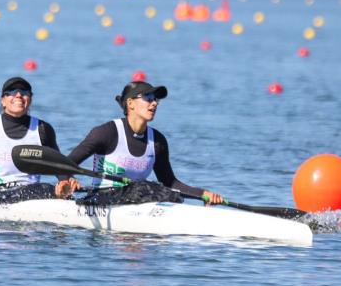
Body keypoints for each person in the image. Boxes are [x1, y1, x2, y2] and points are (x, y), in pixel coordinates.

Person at [61, 81, 224, 204]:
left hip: (138, 198)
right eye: (148, 98)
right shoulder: (106, 133)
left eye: (155, 100)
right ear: (130, 103)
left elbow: (170, 183)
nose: (154, 103)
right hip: (101, 198)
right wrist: (67, 180)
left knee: (163, 193)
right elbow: (65, 165)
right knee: (143, 188)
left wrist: (203, 194)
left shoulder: (158, 141)